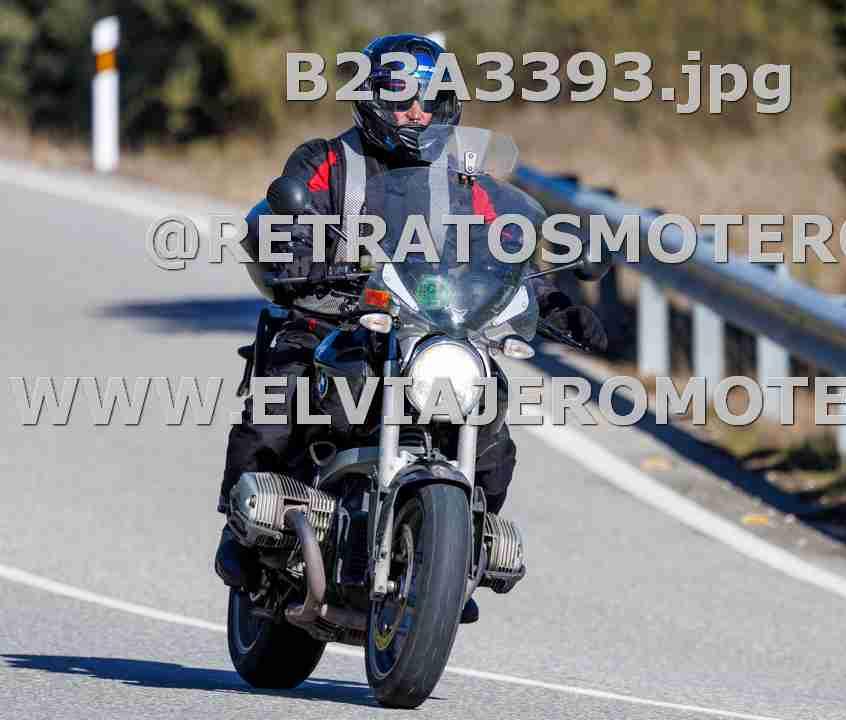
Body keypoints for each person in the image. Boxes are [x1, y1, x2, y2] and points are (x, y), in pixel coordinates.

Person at [213, 34, 607, 622]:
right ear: (373, 99)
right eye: (401, 98)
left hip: (428, 328)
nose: (417, 112)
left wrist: (551, 301)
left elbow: (509, 246)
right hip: (332, 316)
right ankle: (241, 531)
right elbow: (283, 216)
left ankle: (456, 559)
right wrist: (293, 253)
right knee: (283, 390)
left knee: (491, 416)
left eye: (430, 99)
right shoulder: (327, 163)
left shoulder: (465, 182)